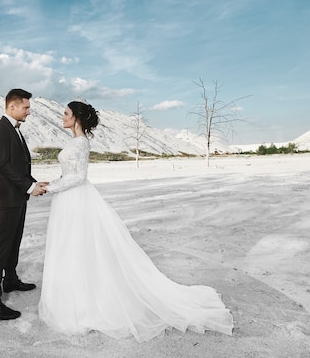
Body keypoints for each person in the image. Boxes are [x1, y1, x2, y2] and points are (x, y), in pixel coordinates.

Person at [38, 99, 234, 342]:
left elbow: (78, 177)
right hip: (68, 200)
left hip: (75, 198)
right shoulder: (74, 142)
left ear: (76, 118)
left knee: (79, 247)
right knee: (72, 247)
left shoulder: (80, 143)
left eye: (66, 113)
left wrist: (51, 188)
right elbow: (69, 172)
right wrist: (54, 182)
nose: (62, 116)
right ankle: (75, 297)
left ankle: (85, 304)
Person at [0, 88, 48, 321]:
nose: (29, 112)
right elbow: (4, 166)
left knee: (14, 242)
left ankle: (10, 280)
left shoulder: (14, 130)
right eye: (26, 107)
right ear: (12, 107)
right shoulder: (0, 129)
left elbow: (19, 166)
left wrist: (33, 183)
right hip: (8, 197)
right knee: (1, 248)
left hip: (18, 196)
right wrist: (29, 187)